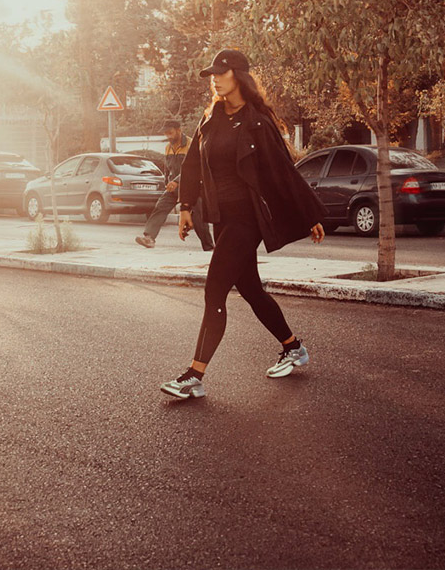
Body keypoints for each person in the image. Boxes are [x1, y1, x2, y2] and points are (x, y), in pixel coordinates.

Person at [160, 49, 326, 399]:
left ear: (239, 75)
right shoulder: (211, 118)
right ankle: (293, 347)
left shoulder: (257, 123)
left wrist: (311, 214)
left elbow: (282, 171)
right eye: (212, 74)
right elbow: (191, 166)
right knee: (250, 289)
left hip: (246, 220)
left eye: (221, 73)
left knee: (214, 290)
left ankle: (194, 376)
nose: (215, 79)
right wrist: (186, 206)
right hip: (222, 219)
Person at [135, 120, 213, 252]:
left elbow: (194, 169)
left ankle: (209, 247)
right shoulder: (168, 147)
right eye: (166, 134)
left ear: (179, 130)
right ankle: (149, 237)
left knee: (198, 217)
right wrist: (168, 182)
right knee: (160, 206)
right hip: (173, 187)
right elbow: (167, 169)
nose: (168, 136)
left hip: (191, 187)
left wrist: (176, 181)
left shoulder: (191, 145)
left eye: (170, 133)